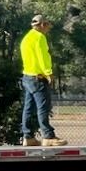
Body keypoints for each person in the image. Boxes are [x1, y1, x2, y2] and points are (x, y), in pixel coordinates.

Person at [19, 15, 66, 147]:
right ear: (41, 25)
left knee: (28, 108)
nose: (48, 28)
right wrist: (48, 73)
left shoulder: (26, 38)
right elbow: (43, 56)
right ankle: (48, 136)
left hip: (27, 76)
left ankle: (28, 136)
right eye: (46, 25)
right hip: (38, 78)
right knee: (43, 107)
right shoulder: (40, 38)